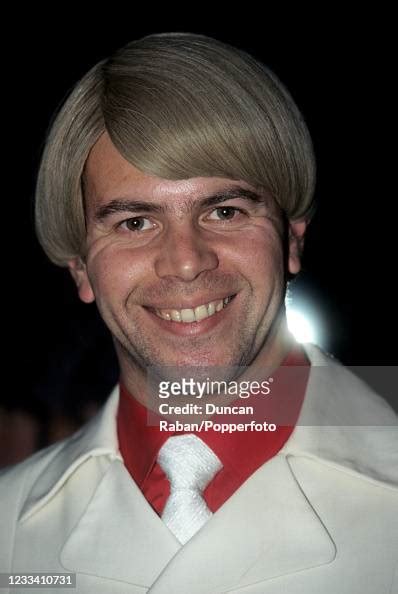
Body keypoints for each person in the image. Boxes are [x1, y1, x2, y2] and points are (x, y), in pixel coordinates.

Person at [0, 33, 397, 594]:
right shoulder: (7, 529)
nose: (185, 262)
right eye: (134, 223)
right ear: (81, 268)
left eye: (225, 210)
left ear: (291, 239)